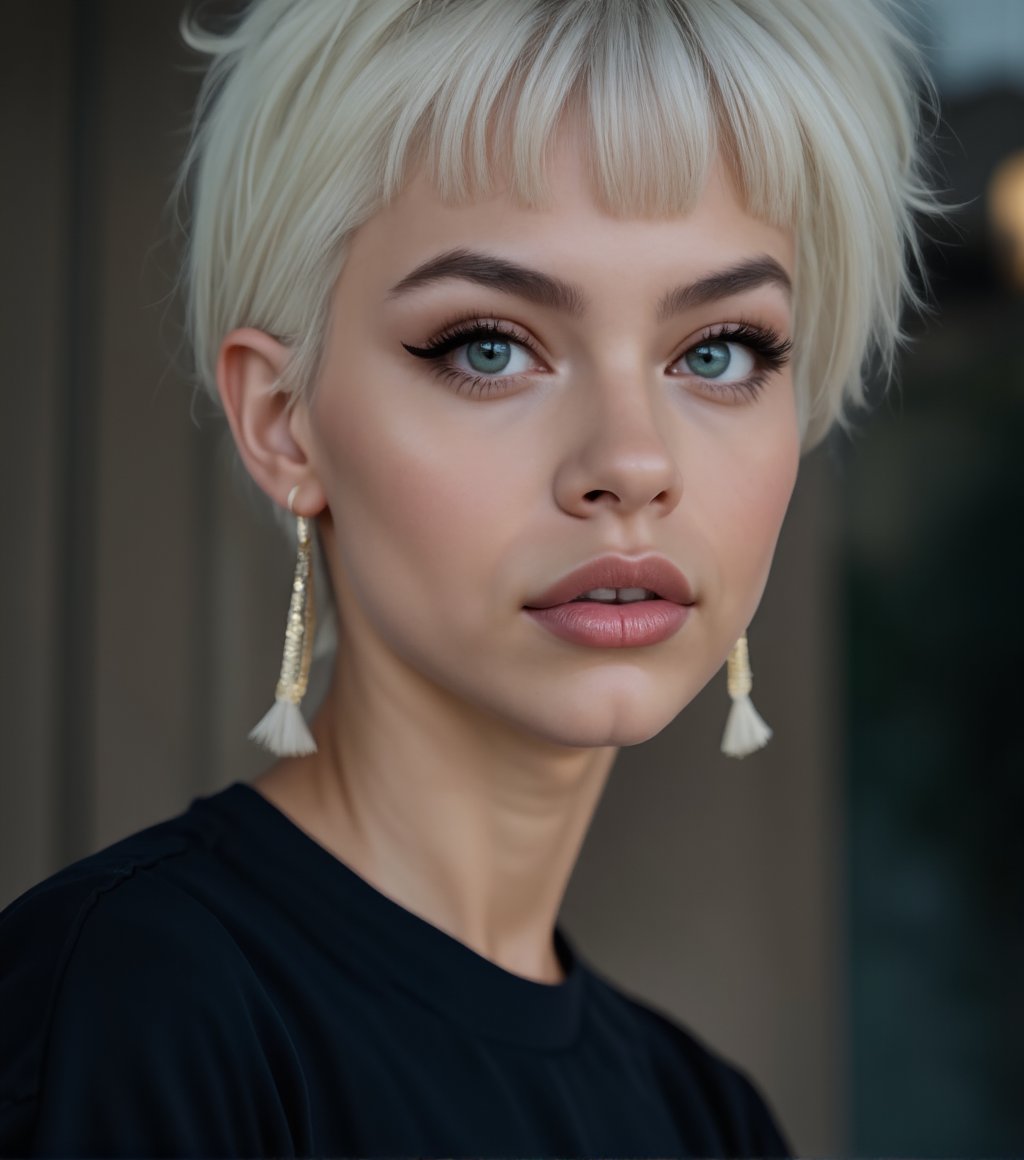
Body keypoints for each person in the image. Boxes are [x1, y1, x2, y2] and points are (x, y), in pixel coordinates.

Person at [0, 0, 939, 1155]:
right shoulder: (130, 1009)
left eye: (718, 351)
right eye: (489, 346)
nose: (631, 463)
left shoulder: (713, 1122)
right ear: (284, 422)